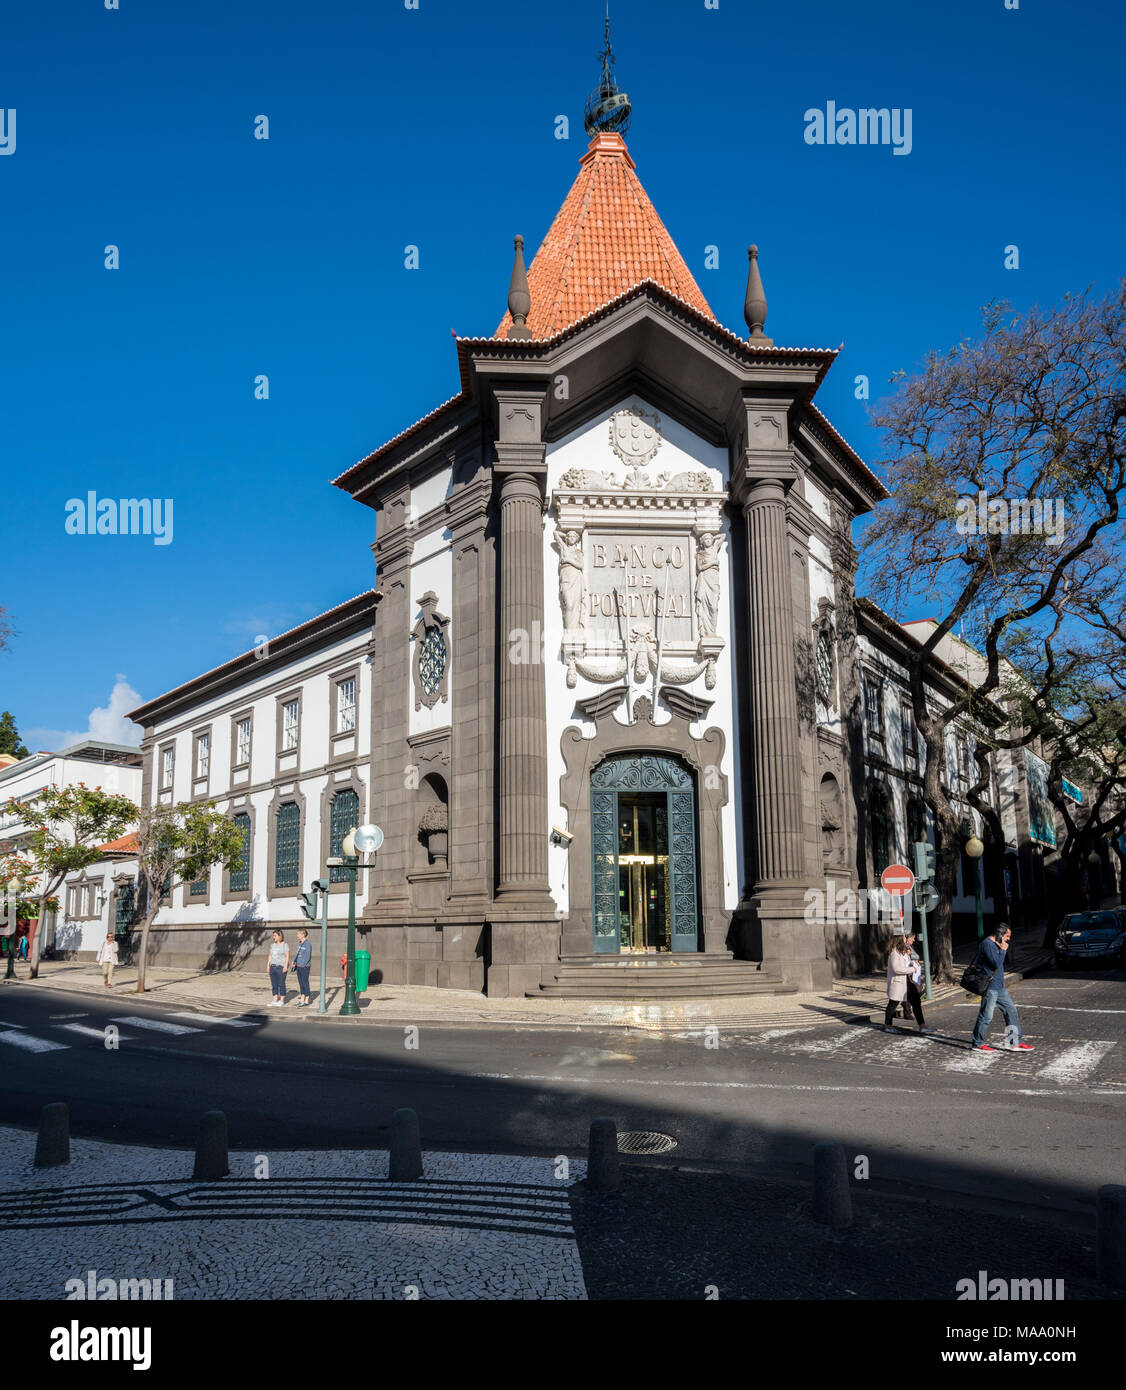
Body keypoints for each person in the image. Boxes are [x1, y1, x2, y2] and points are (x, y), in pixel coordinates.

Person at [971, 922, 1034, 1051]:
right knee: (986, 1016)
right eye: (1007, 936)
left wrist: (1001, 949)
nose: (1008, 939)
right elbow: (995, 964)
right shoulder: (987, 944)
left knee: (1011, 1010)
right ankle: (978, 1043)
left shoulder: (995, 944)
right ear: (1000, 934)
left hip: (999, 986)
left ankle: (1015, 1042)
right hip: (990, 987)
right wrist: (1003, 951)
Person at [884, 927, 935, 1034]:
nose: (905, 938)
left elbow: (905, 964)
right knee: (893, 1003)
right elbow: (896, 969)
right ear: (899, 938)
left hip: (907, 981)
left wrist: (912, 963)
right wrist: (912, 968)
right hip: (899, 982)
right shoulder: (894, 953)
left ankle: (922, 1025)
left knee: (916, 1002)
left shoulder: (902, 951)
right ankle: (888, 1025)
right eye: (903, 936)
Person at [267, 930, 289, 1007]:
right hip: (272, 967)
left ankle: (282, 1000)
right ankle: (275, 1000)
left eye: (275, 936)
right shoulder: (272, 945)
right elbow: (270, 955)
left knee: (281, 984)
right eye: (273, 936)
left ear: (280, 936)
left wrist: (285, 966)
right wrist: (268, 965)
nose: (274, 937)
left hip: (281, 967)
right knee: (274, 984)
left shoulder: (284, 945)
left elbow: (287, 957)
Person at [292, 928, 312, 1007]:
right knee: (301, 983)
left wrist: (302, 965)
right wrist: (295, 962)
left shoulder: (308, 944)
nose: (297, 935)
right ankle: (302, 999)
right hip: (299, 966)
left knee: (305, 982)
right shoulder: (300, 943)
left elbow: (307, 957)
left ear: (303, 935)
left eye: (298, 934)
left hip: (305, 966)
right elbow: (298, 954)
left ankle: (307, 1000)